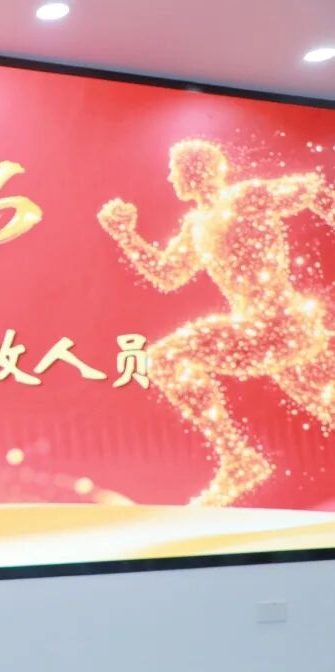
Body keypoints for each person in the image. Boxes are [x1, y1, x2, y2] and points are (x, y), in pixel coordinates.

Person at [98, 139, 335, 506]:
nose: (170, 177)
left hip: (276, 326)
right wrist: (126, 236)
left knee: (166, 359)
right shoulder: (197, 226)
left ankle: (238, 459)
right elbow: (168, 274)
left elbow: (312, 190)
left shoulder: (245, 197)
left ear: (196, 171)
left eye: (175, 169)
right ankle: (237, 460)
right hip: (275, 330)